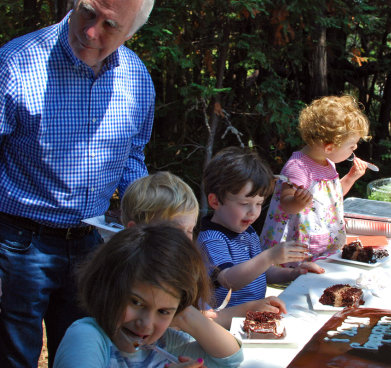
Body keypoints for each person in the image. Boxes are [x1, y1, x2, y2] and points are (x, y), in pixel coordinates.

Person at [0, 0, 155, 366]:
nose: (90, 30)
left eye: (110, 25)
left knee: (81, 352)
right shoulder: (16, 63)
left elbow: (133, 157)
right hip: (17, 243)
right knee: (13, 357)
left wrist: (153, 224)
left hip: (92, 245)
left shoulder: (136, 78)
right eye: (87, 11)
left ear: (132, 32)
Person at [53, 224, 244, 368]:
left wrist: (185, 313)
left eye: (163, 311)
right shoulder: (88, 337)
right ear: (107, 289)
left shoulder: (161, 342)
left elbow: (230, 358)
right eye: (136, 302)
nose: (145, 323)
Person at [120, 171, 288, 328]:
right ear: (134, 231)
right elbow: (186, 327)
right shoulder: (129, 279)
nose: (186, 240)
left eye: (189, 231)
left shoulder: (183, 271)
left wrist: (251, 309)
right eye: (175, 231)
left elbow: (210, 319)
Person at [197, 147, 324, 310]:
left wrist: (294, 273)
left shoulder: (247, 231)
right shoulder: (212, 239)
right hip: (225, 324)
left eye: (258, 204)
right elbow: (228, 280)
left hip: (253, 316)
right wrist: (268, 257)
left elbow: (262, 272)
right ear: (215, 202)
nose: (253, 212)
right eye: (244, 204)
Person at [260, 95, 370, 259]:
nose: (354, 149)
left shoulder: (327, 162)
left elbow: (332, 196)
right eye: (351, 145)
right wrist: (297, 202)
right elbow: (286, 204)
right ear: (329, 147)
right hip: (296, 249)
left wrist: (351, 177)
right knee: (298, 282)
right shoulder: (298, 168)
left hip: (321, 243)